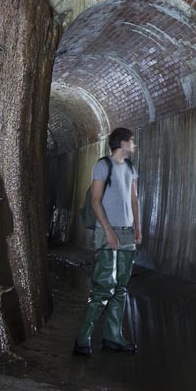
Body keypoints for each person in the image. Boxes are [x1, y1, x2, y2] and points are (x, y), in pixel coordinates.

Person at [73, 127, 142, 357]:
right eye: (131, 142)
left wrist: (137, 228)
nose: (133, 145)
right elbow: (95, 201)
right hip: (107, 233)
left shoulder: (131, 168)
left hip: (127, 233)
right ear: (122, 143)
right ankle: (83, 339)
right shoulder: (103, 166)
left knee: (120, 287)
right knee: (103, 287)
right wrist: (108, 231)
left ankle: (113, 337)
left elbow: (134, 199)